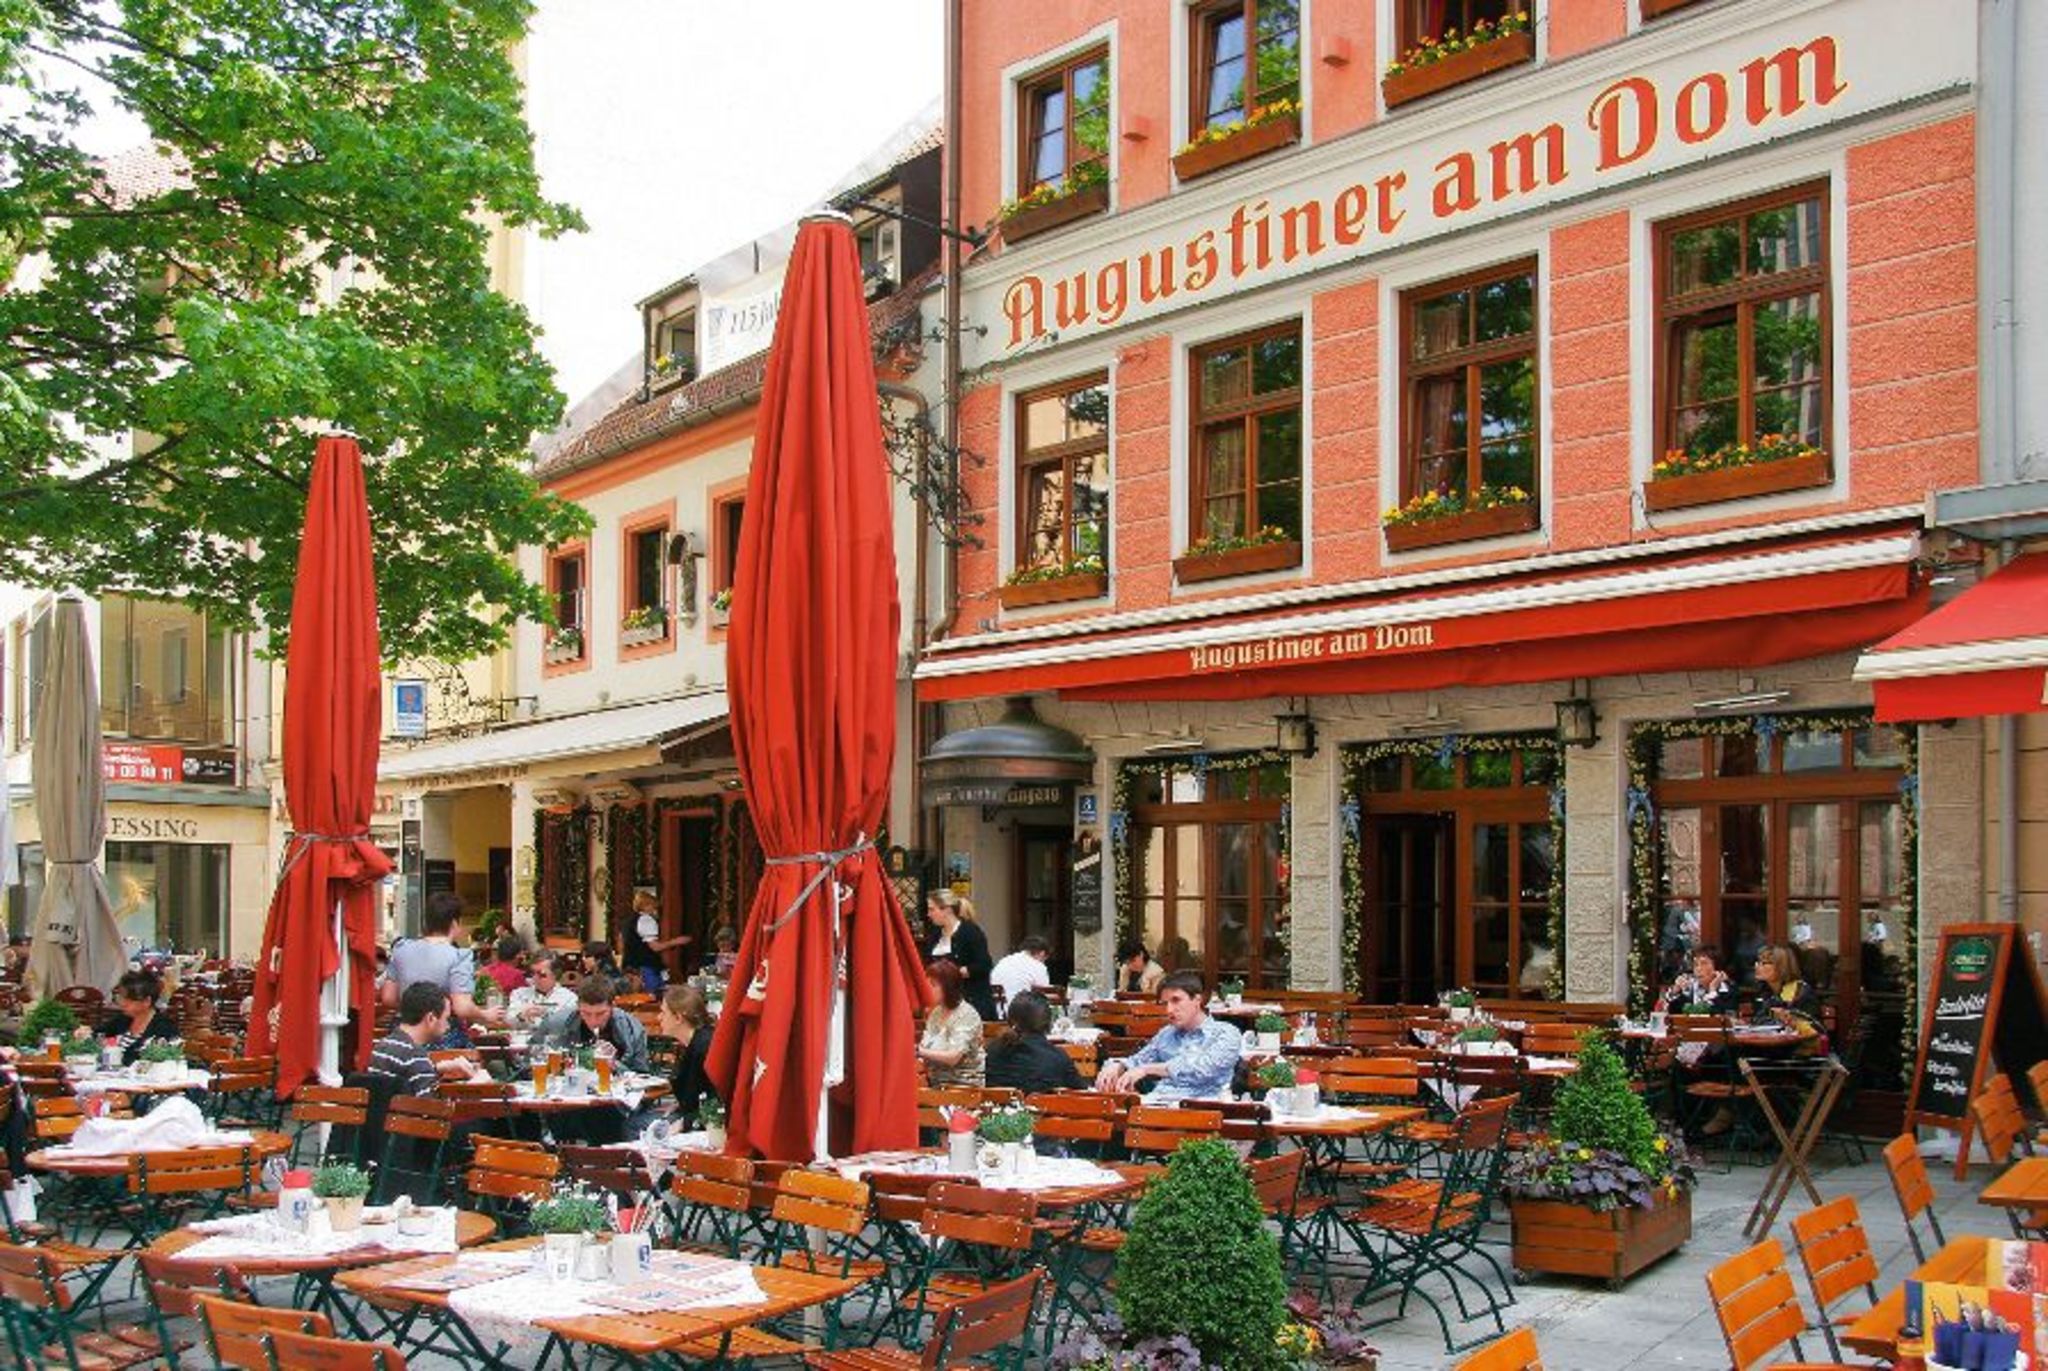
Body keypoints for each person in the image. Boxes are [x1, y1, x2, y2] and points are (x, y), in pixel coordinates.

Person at [1094, 972, 1242, 1102]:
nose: (1169, 1010)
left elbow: (1202, 1069)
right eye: (1165, 1003)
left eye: (1176, 1000)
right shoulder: (1166, 1034)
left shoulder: (1226, 1034)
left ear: (1198, 1000)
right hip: (1157, 1106)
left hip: (1202, 1111)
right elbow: (1138, 1060)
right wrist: (1118, 1066)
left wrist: (1147, 1069)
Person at [379, 893, 482, 1047]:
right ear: (454, 923)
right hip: (443, 1037)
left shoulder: (401, 949)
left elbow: (388, 998)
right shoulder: (459, 956)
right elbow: (462, 1008)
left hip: (404, 1035)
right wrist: (485, 1014)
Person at [368, 983, 490, 1099]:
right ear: (431, 1018)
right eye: (446, 1018)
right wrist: (474, 1085)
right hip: (413, 1119)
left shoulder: (383, 1045)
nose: (448, 1026)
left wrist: (437, 1068)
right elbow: (432, 1110)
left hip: (389, 1117)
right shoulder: (415, 1055)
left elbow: (405, 1078)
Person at [535, 975, 652, 1075]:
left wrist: (615, 1065)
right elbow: (529, 1065)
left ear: (613, 1006)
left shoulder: (631, 1028)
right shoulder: (555, 1023)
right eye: (586, 1013)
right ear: (577, 1006)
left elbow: (642, 1076)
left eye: (600, 1014)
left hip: (618, 1098)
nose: (593, 1021)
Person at [985, 991, 1084, 1095]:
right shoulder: (1058, 1058)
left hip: (999, 1110)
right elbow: (1081, 1095)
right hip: (1045, 1109)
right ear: (1049, 1025)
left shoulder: (992, 1051)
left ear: (1010, 1020)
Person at [925, 891, 996, 1021]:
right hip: (943, 1004)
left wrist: (958, 972)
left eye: (932, 909)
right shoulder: (935, 935)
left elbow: (984, 965)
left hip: (971, 1002)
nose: (928, 914)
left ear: (946, 910)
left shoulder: (970, 932)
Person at [88, 969, 182, 1065]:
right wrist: (87, 1033)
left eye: (127, 999)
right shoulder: (122, 1020)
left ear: (147, 1001)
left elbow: (158, 1060)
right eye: (120, 997)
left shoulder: (164, 1028)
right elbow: (98, 1033)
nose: (122, 1003)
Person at [658, 984, 719, 1125]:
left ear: (678, 1018)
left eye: (663, 1012)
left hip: (705, 1125)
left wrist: (685, 1122)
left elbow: (717, 1100)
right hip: (691, 1116)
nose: (659, 1017)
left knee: (633, 1125)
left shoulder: (704, 1047)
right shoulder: (694, 1043)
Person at [917, 960, 984, 1088]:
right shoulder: (935, 1012)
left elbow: (953, 1057)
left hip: (962, 1087)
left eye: (933, 985)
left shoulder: (967, 1014)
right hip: (934, 1083)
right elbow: (925, 1046)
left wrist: (919, 1052)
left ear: (949, 987)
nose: (927, 990)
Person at [623, 887, 692, 993]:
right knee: (653, 996)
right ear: (645, 905)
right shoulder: (646, 920)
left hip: (631, 965)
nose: (654, 909)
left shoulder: (629, 921)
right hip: (646, 966)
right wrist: (677, 941)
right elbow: (655, 947)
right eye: (652, 905)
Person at [1751, 945, 1823, 1038]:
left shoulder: (1799, 992)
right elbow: (1758, 1021)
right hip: (1771, 1044)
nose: (1757, 966)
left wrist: (1791, 1020)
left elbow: (1815, 1029)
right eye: (1758, 962)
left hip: (1800, 1048)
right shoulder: (1763, 990)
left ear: (1781, 967)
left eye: (1764, 963)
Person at [1661, 946, 1737, 1015]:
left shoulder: (1728, 990)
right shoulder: (1690, 988)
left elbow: (1722, 1018)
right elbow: (1672, 1014)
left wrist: (1712, 990)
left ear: (1717, 969)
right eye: (1696, 964)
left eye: (1704, 964)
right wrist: (1675, 991)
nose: (1698, 969)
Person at [506, 952, 576, 1026]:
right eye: (532, 973)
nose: (535, 978)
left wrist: (546, 1015)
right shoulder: (519, 994)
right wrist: (521, 1016)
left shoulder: (569, 998)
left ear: (555, 975)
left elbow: (569, 1024)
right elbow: (508, 1019)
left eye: (542, 975)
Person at [990, 935, 1052, 1011]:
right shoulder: (1038, 966)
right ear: (1042, 953)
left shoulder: (1004, 961)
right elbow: (1044, 993)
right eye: (1044, 959)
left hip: (1000, 1012)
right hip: (1025, 1015)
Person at [481, 933, 527, 998]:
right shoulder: (516, 975)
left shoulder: (484, 970)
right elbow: (526, 996)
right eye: (522, 953)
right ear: (517, 955)